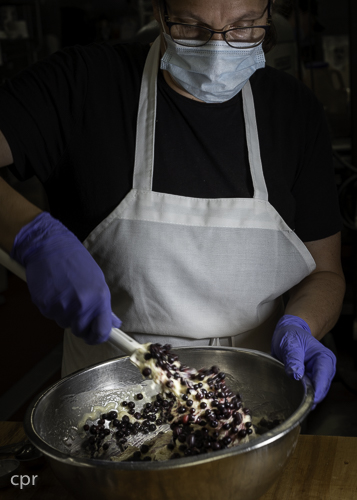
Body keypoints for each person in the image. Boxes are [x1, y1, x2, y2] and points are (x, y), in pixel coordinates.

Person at [0, 0, 345, 408]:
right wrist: (30, 234)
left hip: (257, 402)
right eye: (192, 28)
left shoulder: (293, 112)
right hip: (106, 405)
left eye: (245, 27)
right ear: (160, 13)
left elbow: (324, 272)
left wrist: (301, 324)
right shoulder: (83, 84)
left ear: (271, 14)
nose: (219, 50)